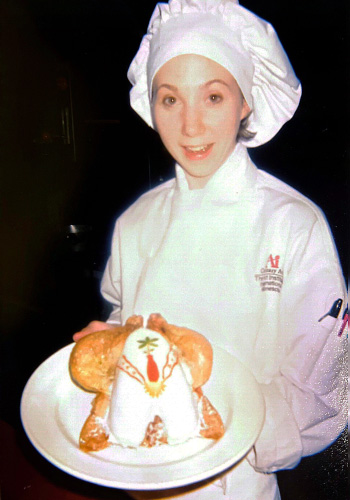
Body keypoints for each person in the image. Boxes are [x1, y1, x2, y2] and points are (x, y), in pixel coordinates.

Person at [73, 1, 347, 499]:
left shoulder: (293, 225)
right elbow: (126, 313)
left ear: (246, 101)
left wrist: (219, 425)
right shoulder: (136, 222)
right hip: (136, 471)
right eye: (171, 100)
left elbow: (324, 385)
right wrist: (113, 341)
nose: (191, 127)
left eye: (214, 97)